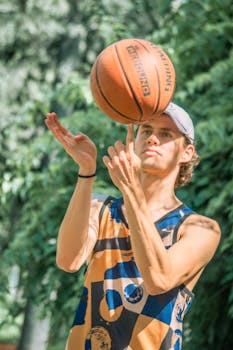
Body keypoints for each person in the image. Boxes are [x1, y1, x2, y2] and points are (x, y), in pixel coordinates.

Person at [45, 102, 221, 350]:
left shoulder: (200, 228)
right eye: (146, 130)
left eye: (166, 134)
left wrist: (130, 189)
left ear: (186, 153)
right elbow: (68, 261)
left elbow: (159, 279)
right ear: (134, 141)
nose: (152, 139)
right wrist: (86, 171)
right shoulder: (101, 209)